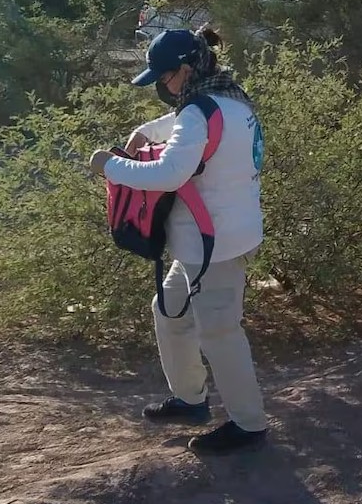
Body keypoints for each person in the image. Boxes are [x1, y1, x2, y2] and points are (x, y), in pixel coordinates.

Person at [88, 27, 268, 454]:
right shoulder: (231, 100)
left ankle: (250, 424)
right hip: (216, 239)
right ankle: (191, 399)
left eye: (164, 78)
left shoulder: (199, 111)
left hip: (214, 247)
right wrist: (147, 131)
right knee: (168, 309)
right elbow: (194, 120)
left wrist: (110, 165)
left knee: (220, 332)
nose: (162, 87)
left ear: (185, 70)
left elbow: (169, 173)